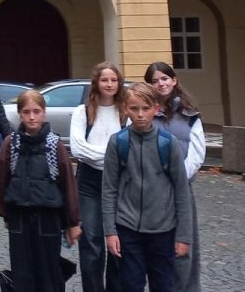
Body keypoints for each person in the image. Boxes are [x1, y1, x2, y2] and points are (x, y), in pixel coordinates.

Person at [102, 83, 193, 292]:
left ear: (155, 109)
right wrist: (110, 231)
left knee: (163, 285)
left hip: (163, 229)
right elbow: (109, 190)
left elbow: (181, 190)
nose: (140, 114)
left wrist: (183, 235)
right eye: (134, 109)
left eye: (145, 108)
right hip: (127, 228)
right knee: (131, 285)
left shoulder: (168, 143)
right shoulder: (118, 142)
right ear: (125, 108)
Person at [0, 90, 81, 292]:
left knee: (49, 271)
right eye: (26, 112)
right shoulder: (11, 143)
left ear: (44, 113)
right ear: (20, 114)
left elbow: (67, 184)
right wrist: (4, 211)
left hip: (48, 217)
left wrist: (73, 222)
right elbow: (1, 180)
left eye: (36, 111)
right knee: (22, 271)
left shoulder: (54, 145)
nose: (32, 117)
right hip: (19, 217)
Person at [144, 62, 206, 292]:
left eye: (164, 79)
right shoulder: (144, 112)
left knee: (184, 249)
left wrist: (178, 178)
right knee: (156, 249)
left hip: (181, 190)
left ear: (174, 80)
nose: (161, 83)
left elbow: (197, 154)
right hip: (151, 191)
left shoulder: (190, 114)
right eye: (155, 80)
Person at [70, 62, 126, 292]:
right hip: (89, 183)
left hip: (121, 183)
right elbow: (77, 149)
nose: (109, 84)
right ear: (97, 83)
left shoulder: (125, 112)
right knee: (91, 242)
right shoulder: (82, 112)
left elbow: (128, 151)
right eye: (105, 80)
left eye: (113, 80)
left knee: (119, 242)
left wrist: (103, 157)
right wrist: (111, 155)